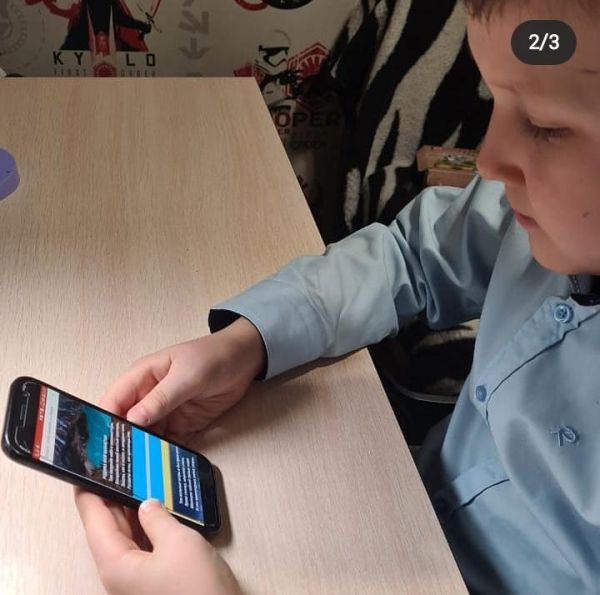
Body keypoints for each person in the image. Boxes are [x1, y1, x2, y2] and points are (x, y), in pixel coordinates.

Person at [74, 0, 600, 592]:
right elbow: (411, 257)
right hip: (401, 515)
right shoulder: (524, 216)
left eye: (546, 125)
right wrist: (247, 342)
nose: (489, 160)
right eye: (496, 100)